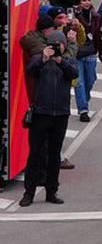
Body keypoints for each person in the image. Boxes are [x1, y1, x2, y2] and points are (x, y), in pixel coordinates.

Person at [19, 28, 77, 206]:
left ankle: (52, 191)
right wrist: (44, 58)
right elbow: (31, 71)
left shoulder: (67, 60)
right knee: (35, 154)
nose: (56, 47)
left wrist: (60, 61)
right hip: (41, 113)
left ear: (64, 46)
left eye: (59, 44)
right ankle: (28, 193)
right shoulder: (39, 59)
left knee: (54, 155)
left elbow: (74, 74)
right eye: (53, 44)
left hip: (61, 113)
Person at [73, 0, 102, 123]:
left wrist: (101, 51)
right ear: (78, 2)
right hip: (77, 53)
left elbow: (97, 34)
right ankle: (83, 110)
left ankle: (84, 100)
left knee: (90, 80)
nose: (87, 3)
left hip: (91, 51)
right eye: (83, 0)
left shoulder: (96, 16)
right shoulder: (73, 16)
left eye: (88, 0)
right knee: (79, 83)